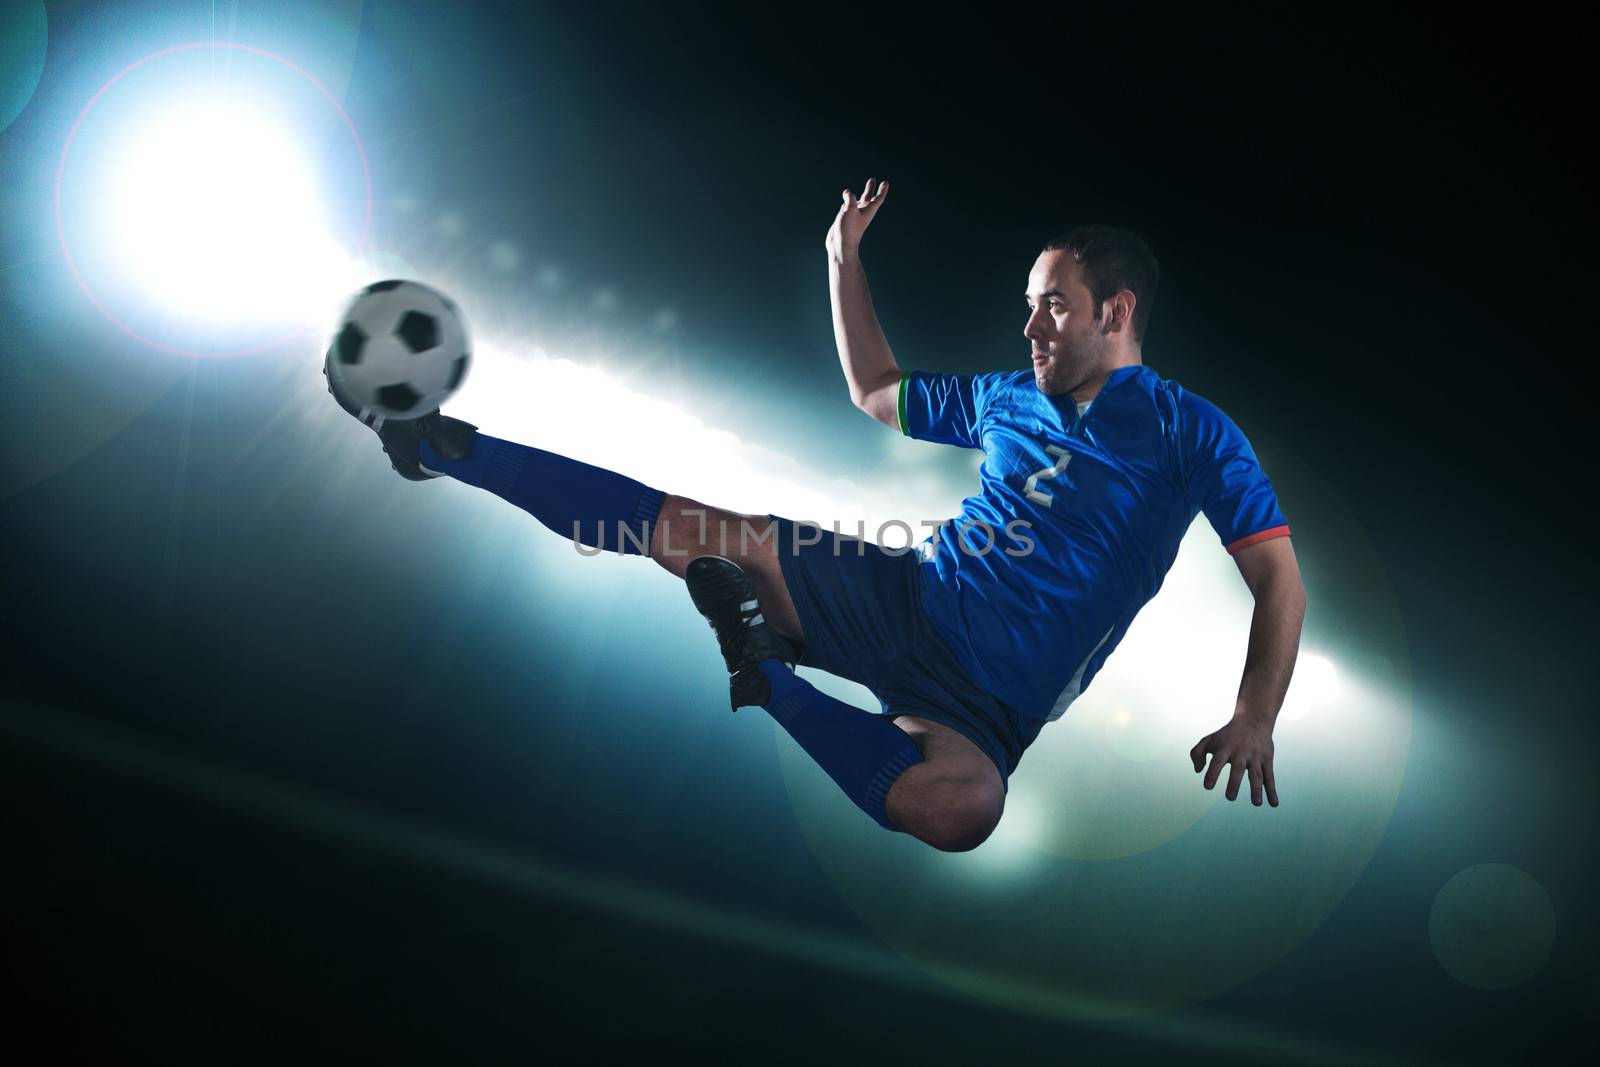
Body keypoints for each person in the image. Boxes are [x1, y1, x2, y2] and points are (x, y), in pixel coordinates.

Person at [326, 180, 1306, 853]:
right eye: (1027, 303)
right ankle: (441, 445)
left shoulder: (1194, 434)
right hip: (900, 593)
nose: (1029, 324)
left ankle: (765, 672)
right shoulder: (1009, 394)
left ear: (1115, 311)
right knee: (689, 528)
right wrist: (842, 261)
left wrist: (1253, 715)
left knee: (965, 809)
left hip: (983, 707)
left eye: (1051, 304)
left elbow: (1277, 580)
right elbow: (878, 390)